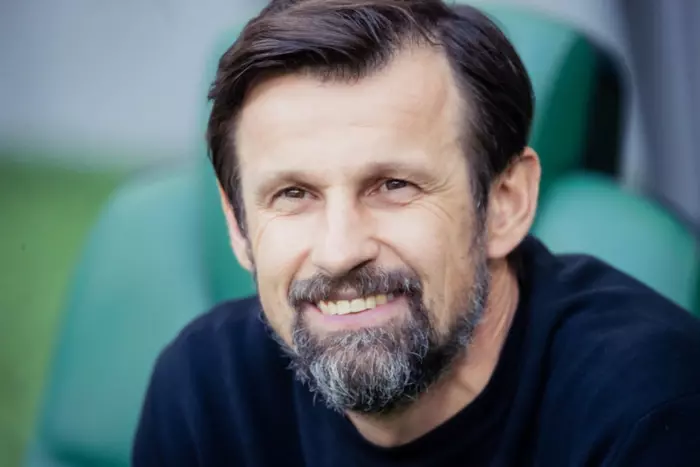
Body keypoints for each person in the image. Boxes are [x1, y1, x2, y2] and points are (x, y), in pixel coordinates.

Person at [132, 0, 700, 465]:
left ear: (504, 204)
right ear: (238, 224)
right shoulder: (206, 392)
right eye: (294, 194)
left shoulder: (650, 408)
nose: (340, 252)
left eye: (394, 185)